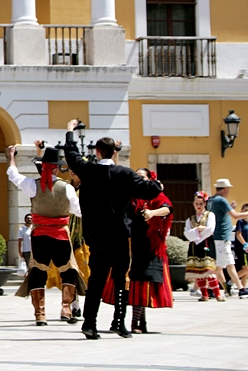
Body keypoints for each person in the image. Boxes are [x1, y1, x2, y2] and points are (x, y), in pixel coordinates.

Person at [63, 120, 163, 340]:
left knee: (96, 280)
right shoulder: (126, 174)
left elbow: (71, 154)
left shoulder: (88, 170)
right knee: (120, 279)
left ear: (97, 152)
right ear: (114, 152)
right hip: (119, 236)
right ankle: (119, 322)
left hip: (96, 237)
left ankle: (89, 324)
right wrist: (158, 184)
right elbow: (151, 190)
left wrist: (70, 131)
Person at [7, 145, 84, 326]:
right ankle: (66, 308)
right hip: (60, 235)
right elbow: (79, 211)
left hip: (40, 235)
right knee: (68, 270)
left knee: (37, 271)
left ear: (42, 166)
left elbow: (12, 174)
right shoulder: (66, 188)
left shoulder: (32, 185)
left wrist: (11, 156)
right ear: (56, 167)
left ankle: (40, 314)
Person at [102, 168, 173, 334]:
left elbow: (167, 208)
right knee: (128, 281)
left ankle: (136, 322)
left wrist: (152, 213)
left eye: (142, 177)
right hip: (128, 242)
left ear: (149, 179)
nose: (138, 180)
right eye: (137, 177)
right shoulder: (129, 193)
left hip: (148, 245)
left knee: (142, 282)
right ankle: (133, 321)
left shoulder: (154, 194)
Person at [206, 179, 248, 298]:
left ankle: (239, 289)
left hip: (219, 237)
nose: (229, 191)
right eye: (228, 189)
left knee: (230, 264)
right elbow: (235, 215)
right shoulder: (221, 200)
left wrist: (231, 207)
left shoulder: (211, 200)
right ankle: (211, 289)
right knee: (219, 266)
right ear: (225, 189)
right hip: (221, 238)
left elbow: (220, 214)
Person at [183, 191, 222, 301]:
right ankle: (204, 294)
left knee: (209, 269)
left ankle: (217, 294)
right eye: (196, 204)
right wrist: (197, 230)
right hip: (194, 245)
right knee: (198, 271)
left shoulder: (210, 215)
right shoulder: (190, 219)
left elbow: (210, 229)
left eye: (200, 204)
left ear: (205, 204)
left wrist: (197, 236)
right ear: (193, 204)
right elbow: (186, 232)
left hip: (206, 243)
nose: (198, 206)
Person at [233, 203, 248, 289]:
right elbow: (239, 235)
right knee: (246, 269)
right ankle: (230, 282)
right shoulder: (240, 221)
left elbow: (247, 237)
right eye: (245, 211)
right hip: (240, 248)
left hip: (245, 249)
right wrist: (244, 244)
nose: (246, 213)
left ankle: (243, 288)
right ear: (242, 211)